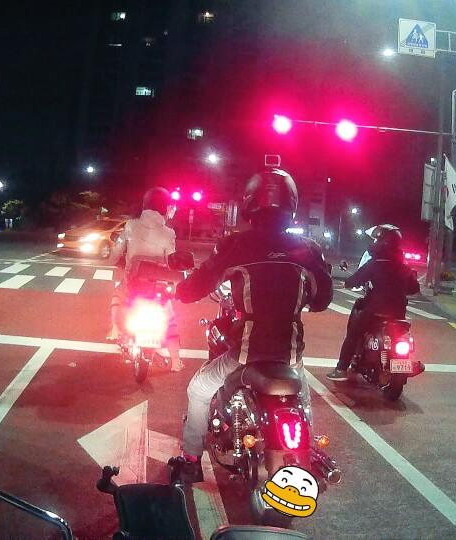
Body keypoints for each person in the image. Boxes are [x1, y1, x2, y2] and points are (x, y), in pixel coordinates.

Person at [173, 168, 333, 482]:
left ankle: (190, 459)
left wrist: (181, 290)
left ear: (249, 203)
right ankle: (309, 452)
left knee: (199, 389)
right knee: (301, 400)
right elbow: (322, 299)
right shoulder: (308, 249)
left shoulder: (235, 245)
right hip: (289, 355)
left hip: (246, 354)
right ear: (292, 204)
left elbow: (195, 287)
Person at [327, 224, 420, 382]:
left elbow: (356, 279)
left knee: (353, 334)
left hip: (375, 310)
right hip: (398, 312)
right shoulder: (404, 267)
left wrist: (347, 283)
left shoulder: (376, 263)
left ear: (381, 242)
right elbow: (414, 288)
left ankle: (341, 368)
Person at [108, 187, 183, 371]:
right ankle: (175, 361)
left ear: (145, 205)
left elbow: (116, 252)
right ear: (165, 207)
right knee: (170, 318)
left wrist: (115, 259)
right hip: (157, 286)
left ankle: (115, 329)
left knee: (118, 295)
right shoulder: (169, 233)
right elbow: (172, 260)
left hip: (134, 282)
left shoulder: (131, 226)